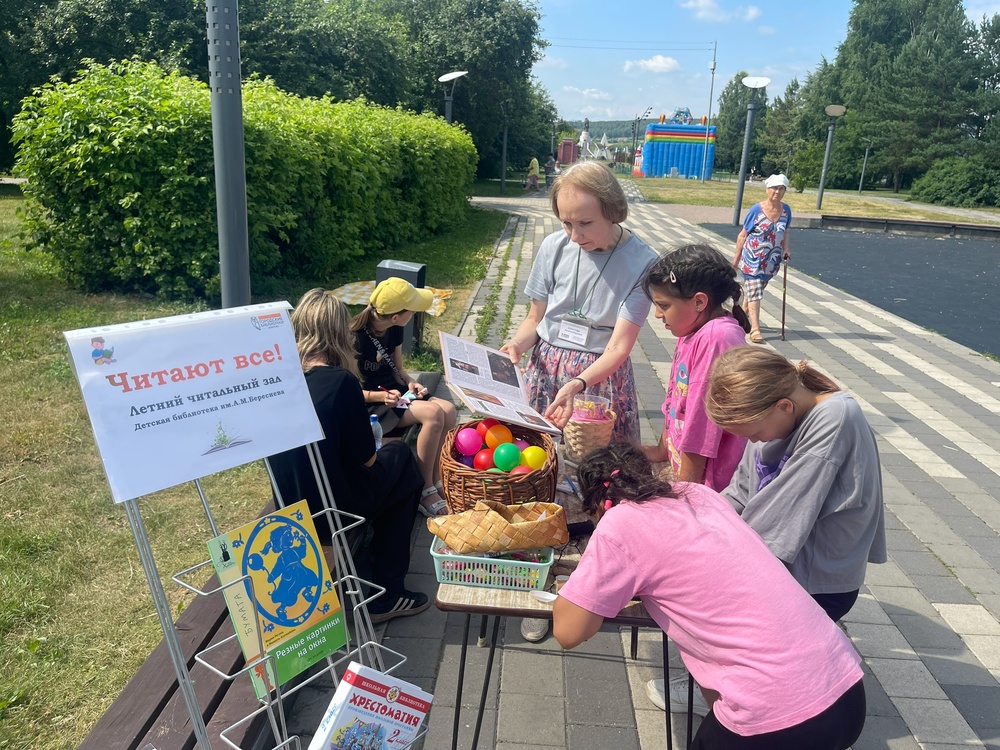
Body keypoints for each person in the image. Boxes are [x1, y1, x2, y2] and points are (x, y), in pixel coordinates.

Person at [554, 442, 866, 750]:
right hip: (846, 688)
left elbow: (568, 632)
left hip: (774, 715)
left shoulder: (619, 523)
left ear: (597, 504)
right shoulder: (697, 494)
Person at [648, 347, 887, 716]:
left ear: (784, 407)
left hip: (817, 582)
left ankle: (731, 693)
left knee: (719, 614)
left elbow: (778, 522)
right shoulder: (778, 415)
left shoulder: (836, 418)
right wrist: (690, 523)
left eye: (756, 433)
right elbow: (740, 492)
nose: (756, 442)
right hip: (790, 566)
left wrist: (701, 557)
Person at [267, 289, 430, 623]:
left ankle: (376, 566)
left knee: (394, 461)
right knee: (401, 460)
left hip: (290, 504)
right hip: (332, 511)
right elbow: (367, 460)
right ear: (340, 333)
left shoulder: (277, 379)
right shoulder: (340, 382)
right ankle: (386, 592)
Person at [500, 160, 659, 444]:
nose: (575, 236)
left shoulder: (643, 262)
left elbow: (619, 347)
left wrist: (577, 383)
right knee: (536, 455)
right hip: (545, 370)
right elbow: (535, 318)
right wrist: (517, 344)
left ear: (612, 211)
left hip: (598, 381)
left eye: (585, 223)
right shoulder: (553, 247)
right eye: (566, 223)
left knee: (595, 463)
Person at [638, 245, 750, 490]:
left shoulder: (717, 338)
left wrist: (685, 488)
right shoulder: (693, 327)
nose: (657, 314)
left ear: (699, 301)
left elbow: (702, 422)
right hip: (687, 468)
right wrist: (661, 450)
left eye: (664, 305)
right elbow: (676, 401)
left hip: (707, 483)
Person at [350, 277, 457, 517]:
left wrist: (410, 382)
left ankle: (436, 478)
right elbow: (350, 390)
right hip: (372, 404)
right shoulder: (354, 338)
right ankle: (424, 489)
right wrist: (379, 397)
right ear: (396, 317)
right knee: (433, 414)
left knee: (449, 410)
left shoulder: (395, 329)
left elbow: (397, 369)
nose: (415, 314)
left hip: (394, 392)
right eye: (413, 310)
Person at [733, 173, 791, 344]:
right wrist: (735, 261)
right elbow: (743, 235)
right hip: (752, 259)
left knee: (756, 291)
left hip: (771, 261)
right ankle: (755, 329)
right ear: (767, 189)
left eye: (781, 189)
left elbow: (786, 231)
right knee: (755, 292)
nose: (777, 192)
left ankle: (742, 314)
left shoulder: (786, 210)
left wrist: (786, 249)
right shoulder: (756, 210)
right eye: (774, 188)